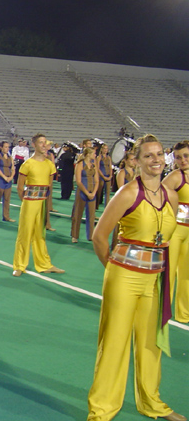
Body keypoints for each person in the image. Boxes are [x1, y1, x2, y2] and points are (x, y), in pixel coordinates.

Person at [87, 134, 184, 421]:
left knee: (150, 344)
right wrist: (115, 270)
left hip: (154, 280)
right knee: (115, 343)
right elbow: (99, 237)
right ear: (137, 161)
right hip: (124, 278)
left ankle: (152, 403)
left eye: (159, 155)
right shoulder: (128, 192)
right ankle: (102, 409)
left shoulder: (172, 196)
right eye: (148, 156)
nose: (156, 160)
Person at [11, 133, 64, 277]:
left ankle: (44, 264)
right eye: (41, 142)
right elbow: (20, 187)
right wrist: (27, 202)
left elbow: (49, 186)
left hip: (42, 203)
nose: (44, 145)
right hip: (29, 203)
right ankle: (19, 265)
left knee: (40, 234)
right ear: (34, 145)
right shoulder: (27, 164)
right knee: (25, 234)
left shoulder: (49, 164)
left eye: (45, 142)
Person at [163, 140, 189, 323]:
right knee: (169, 273)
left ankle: (184, 314)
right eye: (178, 157)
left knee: (187, 275)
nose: (182, 160)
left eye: (186, 156)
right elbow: (157, 197)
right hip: (176, 231)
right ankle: (163, 312)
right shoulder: (175, 177)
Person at [71, 147, 99, 243]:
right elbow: (78, 181)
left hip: (92, 192)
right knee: (78, 214)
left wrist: (94, 192)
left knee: (91, 215)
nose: (95, 155)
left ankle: (90, 235)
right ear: (88, 154)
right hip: (82, 192)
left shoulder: (93, 165)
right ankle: (75, 235)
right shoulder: (80, 164)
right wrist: (87, 192)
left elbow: (97, 180)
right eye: (94, 153)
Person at [96, 143, 113, 209]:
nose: (105, 150)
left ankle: (107, 207)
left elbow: (110, 167)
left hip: (108, 175)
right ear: (102, 149)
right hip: (101, 176)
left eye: (106, 149)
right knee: (99, 191)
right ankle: (96, 205)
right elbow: (97, 168)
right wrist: (102, 176)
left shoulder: (108, 157)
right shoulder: (99, 157)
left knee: (107, 192)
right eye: (104, 149)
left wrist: (110, 175)